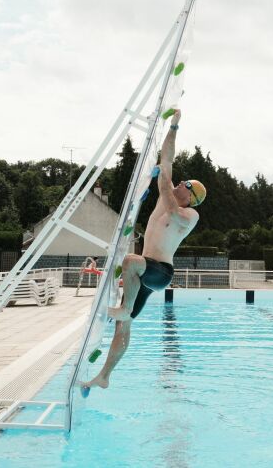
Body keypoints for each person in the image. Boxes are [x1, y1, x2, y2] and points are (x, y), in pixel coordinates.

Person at [82, 110, 206, 393]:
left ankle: (124, 308)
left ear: (192, 198)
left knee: (130, 261)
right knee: (123, 326)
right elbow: (168, 160)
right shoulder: (166, 200)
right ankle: (104, 376)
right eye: (180, 181)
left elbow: (169, 198)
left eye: (185, 185)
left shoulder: (188, 216)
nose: (178, 184)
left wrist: (163, 180)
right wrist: (174, 126)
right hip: (143, 272)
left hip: (160, 272)